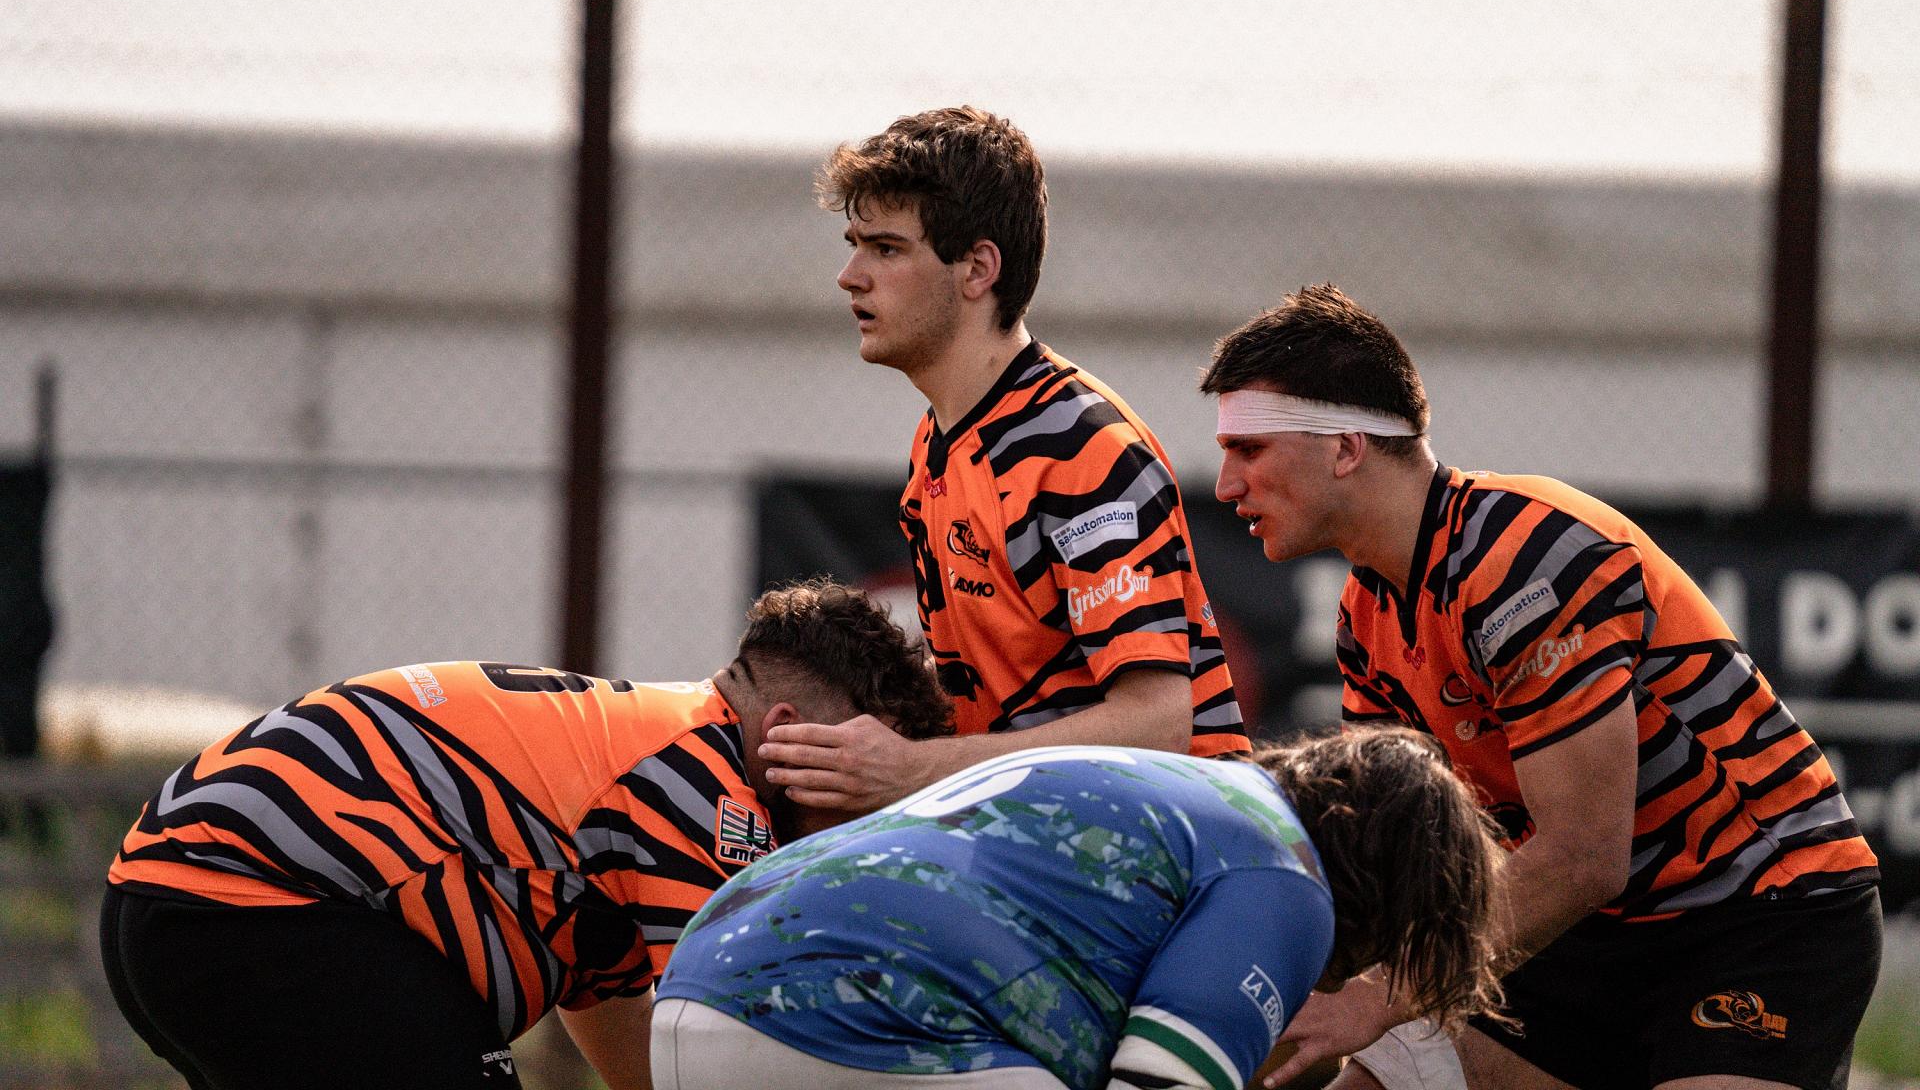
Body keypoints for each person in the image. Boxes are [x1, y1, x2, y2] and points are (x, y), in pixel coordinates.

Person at [1203, 285, 1882, 1090]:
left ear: (1346, 448)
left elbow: (1584, 857)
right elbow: (1401, 856)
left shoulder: (1525, 559)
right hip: (1589, 932)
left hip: (1757, 914)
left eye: (1250, 449)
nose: (1226, 485)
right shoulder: (1367, 613)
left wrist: (1378, 994)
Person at [100, 579, 953, 1090]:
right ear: (786, 731)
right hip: (246, 903)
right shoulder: (705, 787)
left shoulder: (648, 744)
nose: (865, 819)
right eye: (859, 779)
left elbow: (623, 1021)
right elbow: (728, 1042)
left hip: (174, 901)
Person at [766, 106, 1248, 814]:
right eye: (854, 245)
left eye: (886, 249)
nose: (850, 275)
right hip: (1046, 827)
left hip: (1171, 837)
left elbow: (1157, 725)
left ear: (978, 269)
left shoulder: (1079, 446)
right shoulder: (938, 442)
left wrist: (914, 771)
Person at [651, 727, 1503, 1090]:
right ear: (1388, 896)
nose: (1356, 976)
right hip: (850, 1018)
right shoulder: (1287, 880)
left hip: (695, 991)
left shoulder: (1185, 790)